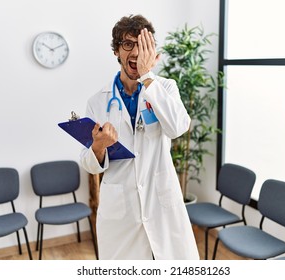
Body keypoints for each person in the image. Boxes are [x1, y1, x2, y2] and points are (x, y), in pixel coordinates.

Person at [80, 14, 199, 260]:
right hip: (120, 210)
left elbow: (178, 127)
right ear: (116, 51)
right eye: (128, 44)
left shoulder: (165, 88)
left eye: (142, 44)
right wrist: (98, 148)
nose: (135, 51)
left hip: (161, 202)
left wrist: (148, 78)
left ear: (151, 50)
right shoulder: (98, 101)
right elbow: (89, 164)